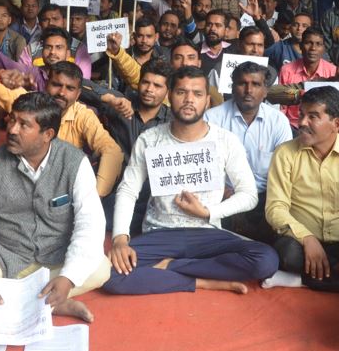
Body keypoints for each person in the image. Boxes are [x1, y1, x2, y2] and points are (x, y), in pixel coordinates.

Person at [104, 66, 279, 295]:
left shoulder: (225, 140)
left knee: (266, 260)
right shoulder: (150, 139)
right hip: (160, 233)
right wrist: (120, 239)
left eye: (197, 94)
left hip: (207, 234)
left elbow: (248, 195)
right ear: (169, 96)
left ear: (207, 101)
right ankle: (201, 281)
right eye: (181, 92)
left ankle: (172, 268)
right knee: (106, 273)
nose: (189, 100)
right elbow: (128, 191)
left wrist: (208, 212)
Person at [0, 91, 110, 320]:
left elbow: (90, 223)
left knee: (101, 269)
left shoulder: (74, 162)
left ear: (47, 134)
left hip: (56, 258)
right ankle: (53, 305)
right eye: (12, 120)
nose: (12, 129)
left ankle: (3, 304)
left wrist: (68, 278)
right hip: (6, 257)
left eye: (24, 125)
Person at [262, 86, 339, 293]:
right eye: (301, 115)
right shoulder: (285, 153)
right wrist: (307, 238)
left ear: (337, 124)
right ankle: (338, 277)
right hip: (298, 242)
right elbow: (275, 208)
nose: (302, 123)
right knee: (288, 255)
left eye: (313, 117)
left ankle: (304, 278)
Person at [0, 61, 124, 198]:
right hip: (20, 183)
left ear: (78, 94)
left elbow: (112, 151)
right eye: (56, 84)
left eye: (70, 88)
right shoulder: (27, 104)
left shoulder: (83, 115)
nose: (62, 93)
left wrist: (94, 197)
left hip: (60, 191)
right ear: (46, 84)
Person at [205, 62, 291, 243]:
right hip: (223, 197)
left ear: (265, 91)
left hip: (265, 198)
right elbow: (206, 167)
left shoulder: (278, 122)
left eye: (256, 84)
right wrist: (226, 194)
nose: (248, 90)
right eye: (242, 83)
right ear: (232, 87)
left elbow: (284, 171)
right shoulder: (212, 118)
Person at [99, 59, 173, 234]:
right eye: (145, 82)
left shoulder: (172, 122)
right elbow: (80, 86)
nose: (149, 89)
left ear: (167, 92)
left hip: (151, 198)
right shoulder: (120, 105)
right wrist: (110, 99)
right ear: (138, 83)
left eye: (157, 85)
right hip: (116, 191)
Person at [276, 28, 337, 129]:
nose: (313, 48)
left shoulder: (332, 71)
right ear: (300, 46)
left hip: (321, 128)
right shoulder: (286, 70)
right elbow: (281, 107)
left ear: (324, 48)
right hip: (293, 126)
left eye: (318, 44)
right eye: (308, 43)